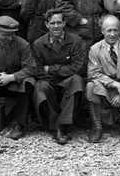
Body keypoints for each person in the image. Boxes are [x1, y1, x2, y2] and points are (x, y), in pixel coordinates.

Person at [31, 8, 85, 144]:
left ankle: (64, 124)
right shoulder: (38, 44)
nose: (56, 26)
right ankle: (55, 125)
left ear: (64, 23)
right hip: (48, 81)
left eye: (59, 22)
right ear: (46, 24)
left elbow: (77, 68)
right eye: (52, 23)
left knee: (76, 81)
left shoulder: (76, 41)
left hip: (68, 80)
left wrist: (50, 69)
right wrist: (59, 73)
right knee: (41, 87)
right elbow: (38, 70)